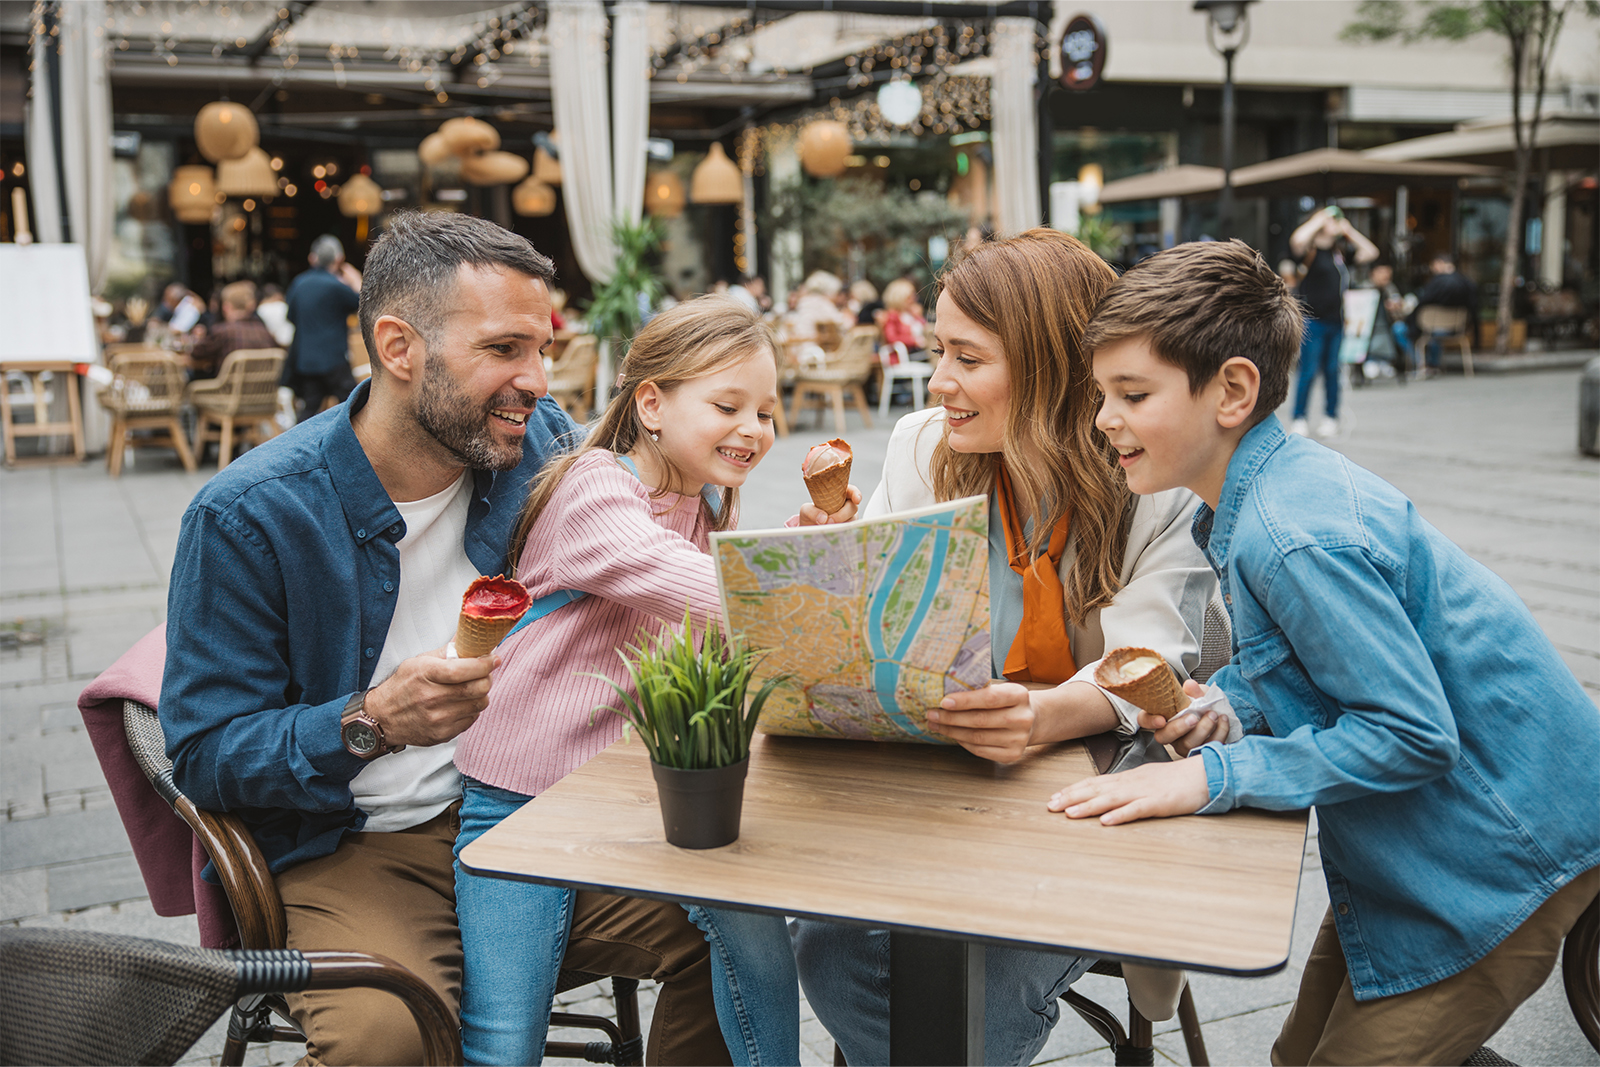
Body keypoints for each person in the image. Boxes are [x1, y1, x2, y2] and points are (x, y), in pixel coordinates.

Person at [159, 211, 729, 1065]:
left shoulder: (545, 449)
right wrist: (372, 720)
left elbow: (646, 560)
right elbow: (202, 754)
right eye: (504, 349)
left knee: (731, 924)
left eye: (543, 347)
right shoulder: (250, 515)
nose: (538, 379)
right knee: (387, 1040)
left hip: (531, 806)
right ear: (399, 346)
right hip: (356, 842)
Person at [1061, 238, 1600, 1066]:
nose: (1105, 418)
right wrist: (1229, 703)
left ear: (1233, 390)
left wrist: (1213, 775)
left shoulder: (1289, 535)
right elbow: (1307, 665)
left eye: (1132, 393)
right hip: (1421, 851)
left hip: (1503, 849)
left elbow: (1414, 733)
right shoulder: (1258, 497)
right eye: (1104, 394)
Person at [791, 228, 1228, 1067]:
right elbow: (882, 619)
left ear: (1052, 367)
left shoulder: (1151, 476)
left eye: (966, 357)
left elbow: (1151, 659)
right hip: (940, 770)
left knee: (982, 1001)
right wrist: (835, 567)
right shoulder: (925, 444)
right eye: (936, 351)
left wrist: (1040, 715)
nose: (939, 381)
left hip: (1097, 773)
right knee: (830, 948)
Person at [452, 295, 860, 1066]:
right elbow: (687, 584)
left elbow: (715, 624)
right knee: (504, 1036)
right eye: (728, 404)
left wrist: (800, 550)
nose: (755, 428)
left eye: (766, 411)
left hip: (636, 801)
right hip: (516, 805)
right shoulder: (593, 487)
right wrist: (812, 580)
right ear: (651, 403)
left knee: (756, 936)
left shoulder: (703, 506)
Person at [1287, 206, 1377, 438]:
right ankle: (1299, 418)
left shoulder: (1340, 254)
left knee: (1332, 371)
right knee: (1308, 371)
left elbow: (1371, 252)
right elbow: (1297, 239)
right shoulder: (1309, 250)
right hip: (1311, 321)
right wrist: (1319, 219)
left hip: (1336, 321)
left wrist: (1348, 231)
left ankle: (1331, 416)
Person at [286, 234, 363, 421]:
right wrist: (356, 280)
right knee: (356, 408)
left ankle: (298, 447)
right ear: (339, 259)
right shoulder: (335, 286)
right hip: (334, 358)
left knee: (309, 411)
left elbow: (291, 317)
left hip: (306, 360)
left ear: (312, 258)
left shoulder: (298, 283)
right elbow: (363, 304)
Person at [187, 280, 277, 380]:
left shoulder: (222, 331)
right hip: (264, 392)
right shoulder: (265, 332)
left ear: (226, 307)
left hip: (228, 392)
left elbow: (196, 354)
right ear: (250, 306)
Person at [1409, 252, 1479, 378]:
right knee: (1433, 333)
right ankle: (1433, 364)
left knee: (1404, 330)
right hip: (1458, 328)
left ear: (1439, 264)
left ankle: (1424, 365)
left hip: (1432, 329)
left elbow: (1421, 304)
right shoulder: (1467, 282)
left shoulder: (1436, 283)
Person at [878, 277, 927, 360]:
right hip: (903, 357)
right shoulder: (892, 316)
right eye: (909, 297)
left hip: (919, 353)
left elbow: (925, 327)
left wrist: (918, 315)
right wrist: (913, 341)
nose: (913, 299)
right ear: (900, 298)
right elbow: (891, 338)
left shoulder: (911, 314)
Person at [256, 281, 295, 347]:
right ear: (277, 295)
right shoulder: (284, 306)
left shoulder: (258, 310)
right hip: (291, 346)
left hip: (267, 348)